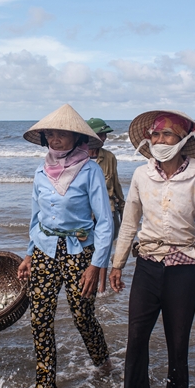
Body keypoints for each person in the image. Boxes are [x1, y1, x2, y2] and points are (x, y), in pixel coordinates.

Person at [109, 110, 195, 388]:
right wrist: (118, 263)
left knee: (177, 340)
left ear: (182, 141)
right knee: (137, 337)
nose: (159, 141)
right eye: (155, 135)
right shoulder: (143, 176)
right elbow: (130, 221)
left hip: (184, 268)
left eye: (167, 135)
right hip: (147, 265)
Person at [16, 104, 114, 388]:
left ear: (76, 138)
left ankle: (102, 361)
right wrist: (30, 253)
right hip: (45, 251)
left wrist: (97, 264)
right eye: (51, 134)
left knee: (82, 314)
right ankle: (45, 383)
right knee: (40, 317)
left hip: (80, 253)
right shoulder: (40, 172)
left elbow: (105, 222)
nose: (56, 139)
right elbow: (36, 217)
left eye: (62, 134)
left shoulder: (90, 170)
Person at [87, 117, 126, 293]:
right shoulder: (78, 157)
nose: (103, 138)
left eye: (104, 135)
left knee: (105, 247)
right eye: (100, 134)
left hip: (108, 208)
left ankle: (101, 286)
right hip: (85, 212)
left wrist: (123, 207)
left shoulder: (109, 157)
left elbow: (116, 184)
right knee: (87, 248)